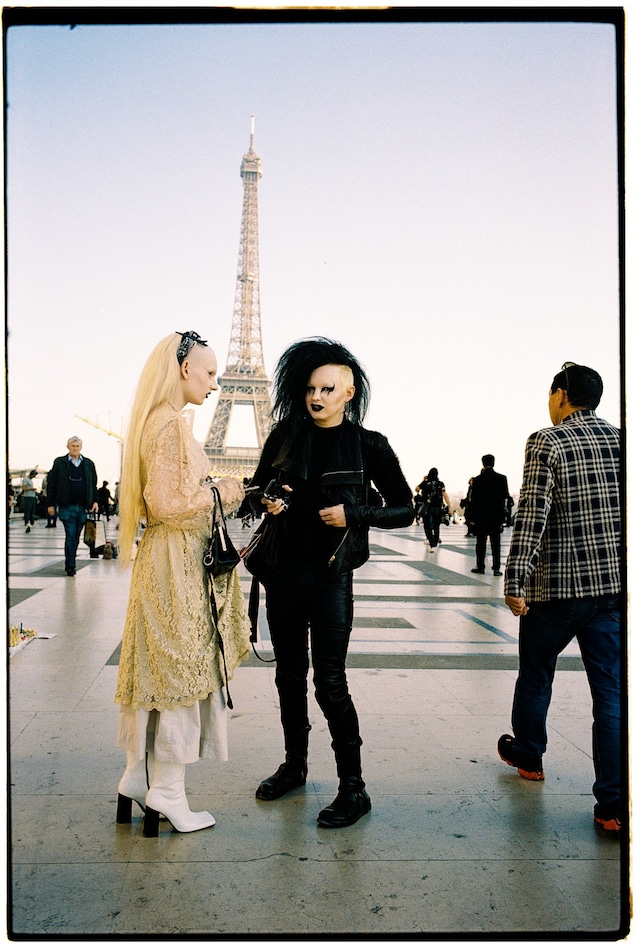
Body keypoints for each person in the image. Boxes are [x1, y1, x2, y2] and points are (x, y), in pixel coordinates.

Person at [247, 337, 414, 828]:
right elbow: (255, 489)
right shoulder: (285, 434)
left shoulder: (369, 444)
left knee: (330, 682)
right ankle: (294, 766)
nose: (316, 397)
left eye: (326, 388)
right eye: (310, 388)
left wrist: (353, 513)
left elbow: (405, 509)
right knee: (287, 675)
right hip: (283, 572)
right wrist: (267, 499)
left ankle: (353, 788)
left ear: (349, 392)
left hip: (330, 577)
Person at [114, 331, 250, 836]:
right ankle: (168, 792)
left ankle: (136, 776)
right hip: (177, 560)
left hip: (160, 555)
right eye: (209, 373)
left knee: (157, 667)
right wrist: (227, 490)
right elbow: (171, 503)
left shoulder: (152, 420)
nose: (215, 384)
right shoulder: (171, 424)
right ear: (184, 368)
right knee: (182, 670)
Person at [499, 362, 622, 834]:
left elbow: (532, 513)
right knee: (610, 696)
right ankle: (612, 807)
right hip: (610, 591)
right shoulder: (623, 442)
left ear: (560, 395)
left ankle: (529, 755)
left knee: (536, 674)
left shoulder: (547, 441)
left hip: (556, 591)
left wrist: (515, 579)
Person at [46, 440, 98, 575]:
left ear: (81, 447)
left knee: (76, 536)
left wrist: (95, 501)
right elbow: (51, 483)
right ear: (68, 447)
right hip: (66, 506)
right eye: (73, 446)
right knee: (71, 535)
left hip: (83, 507)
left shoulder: (88, 464)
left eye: (77, 446)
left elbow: (93, 484)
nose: (75, 448)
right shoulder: (60, 463)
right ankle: (70, 565)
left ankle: (70, 560)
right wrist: (50, 504)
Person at [467, 455, 510, 576]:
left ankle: (480, 566)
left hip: (481, 517)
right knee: (496, 543)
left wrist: (471, 518)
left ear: (483, 463)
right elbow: (505, 496)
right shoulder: (501, 478)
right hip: (496, 517)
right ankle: (496, 568)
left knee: (481, 543)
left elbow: (473, 501)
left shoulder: (477, 480)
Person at [415, 468, 451, 551]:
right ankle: (436, 541)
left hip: (428, 507)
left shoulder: (425, 483)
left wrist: (423, 481)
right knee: (436, 525)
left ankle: (431, 543)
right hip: (438, 507)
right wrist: (449, 505)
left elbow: (416, 489)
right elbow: (444, 494)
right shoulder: (440, 483)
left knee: (428, 525)